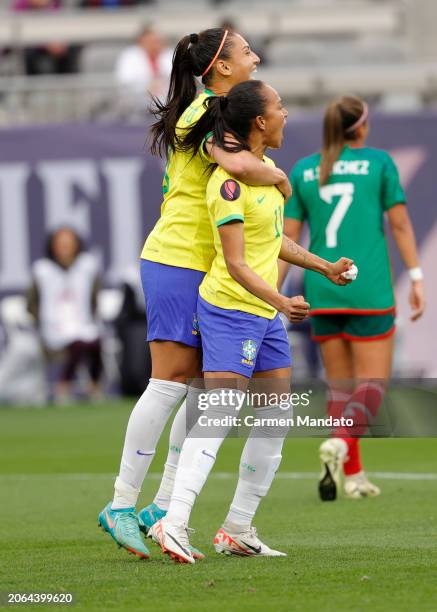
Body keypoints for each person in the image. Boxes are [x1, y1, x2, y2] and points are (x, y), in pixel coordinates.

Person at [98, 27, 294, 560]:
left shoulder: (212, 107)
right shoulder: (204, 112)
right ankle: (121, 502)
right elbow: (235, 165)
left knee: (203, 392)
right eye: (246, 51)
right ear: (222, 67)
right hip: (178, 259)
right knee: (169, 384)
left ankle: (162, 505)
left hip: (200, 264)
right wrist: (278, 177)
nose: (255, 57)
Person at [148, 80, 355, 564]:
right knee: (219, 414)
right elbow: (237, 262)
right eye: (280, 107)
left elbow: (273, 240)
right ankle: (173, 523)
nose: (286, 113)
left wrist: (323, 266)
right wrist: (283, 301)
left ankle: (238, 528)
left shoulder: (263, 174)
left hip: (262, 314)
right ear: (259, 122)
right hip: (230, 309)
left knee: (275, 419)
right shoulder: (228, 182)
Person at [280, 95, 425, 501]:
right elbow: (399, 226)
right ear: (360, 127)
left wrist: (274, 293)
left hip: (322, 286)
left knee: (340, 388)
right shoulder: (379, 163)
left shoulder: (306, 169)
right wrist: (415, 277)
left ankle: (355, 476)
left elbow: (287, 240)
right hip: (368, 286)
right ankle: (342, 443)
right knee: (373, 384)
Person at [27, 227, 103, 403]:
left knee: (95, 342)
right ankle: (63, 386)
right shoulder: (42, 270)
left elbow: (93, 299)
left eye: (69, 244)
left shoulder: (86, 267)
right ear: (53, 246)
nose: (65, 248)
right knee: (77, 344)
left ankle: (94, 387)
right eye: (61, 244)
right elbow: (31, 303)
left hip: (81, 323)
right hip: (53, 328)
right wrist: (43, 321)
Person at [114, 25, 173, 101]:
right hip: (137, 100)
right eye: (151, 41)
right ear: (142, 41)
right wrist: (146, 87)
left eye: (157, 41)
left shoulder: (168, 54)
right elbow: (124, 80)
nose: (155, 45)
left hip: (167, 99)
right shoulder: (130, 56)